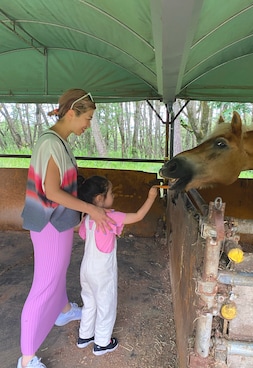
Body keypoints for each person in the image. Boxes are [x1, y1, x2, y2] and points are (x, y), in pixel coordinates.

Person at [18, 89, 115, 368]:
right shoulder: (50, 143)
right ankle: (26, 359)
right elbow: (51, 191)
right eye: (88, 117)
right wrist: (92, 209)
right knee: (43, 286)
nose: (88, 124)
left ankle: (62, 310)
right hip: (49, 224)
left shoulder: (59, 141)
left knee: (58, 272)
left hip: (58, 222)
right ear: (71, 113)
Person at [76, 175, 158, 356]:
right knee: (106, 305)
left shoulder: (88, 217)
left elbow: (82, 234)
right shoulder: (110, 216)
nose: (114, 195)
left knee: (89, 302)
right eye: (111, 193)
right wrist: (151, 197)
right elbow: (138, 216)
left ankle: (85, 336)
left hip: (86, 269)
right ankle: (102, 343)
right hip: (102, 271)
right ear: (99, 198)